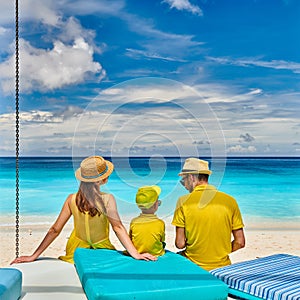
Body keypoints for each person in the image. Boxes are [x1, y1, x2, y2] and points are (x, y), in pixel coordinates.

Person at [11, 156, 157, 264]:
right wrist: (135, 254)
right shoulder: (107, 199)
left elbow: (54, 230)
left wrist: (33, 256)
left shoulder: (71, 199)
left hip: (76, 251)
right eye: (106, 176)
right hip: (101, 249)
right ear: (101, 180)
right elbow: (118, 227)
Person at [172, 157, 245, 271]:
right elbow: (240, 242)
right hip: (223, 267)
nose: (184, 186)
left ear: (191, 178)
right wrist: (219, 253)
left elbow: (180, 244)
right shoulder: (230, 201)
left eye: (183, 181)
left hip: (194, 267)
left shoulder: (183, 201)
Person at [128, 186, 165, 256]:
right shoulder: (160, 223)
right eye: (158, 201)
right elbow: (161, 240)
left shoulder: (134, 222)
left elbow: (130, 239)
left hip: (137, 253)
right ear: (155, 205)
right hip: (155, 254)